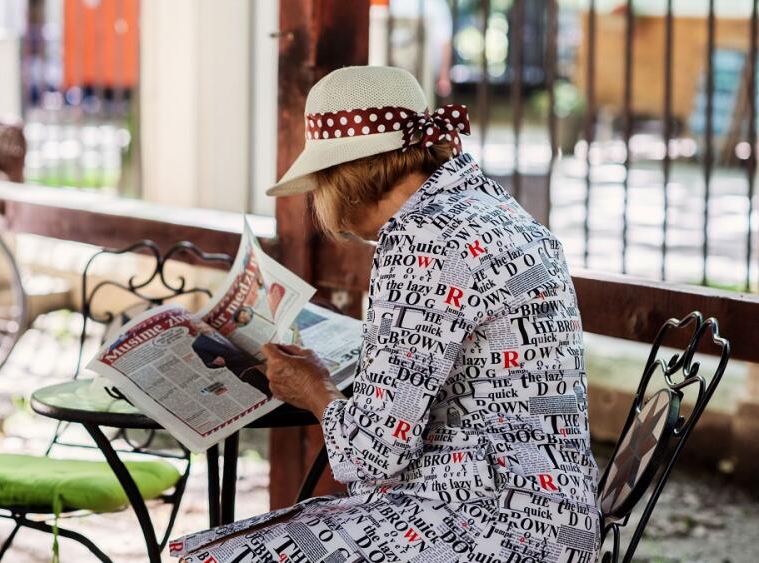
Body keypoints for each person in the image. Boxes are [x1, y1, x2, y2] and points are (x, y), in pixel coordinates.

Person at [170, 66, 599, 562]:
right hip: (555, 520)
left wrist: (316, 391)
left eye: (318, 183)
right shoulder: (492, 207)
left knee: (208, 557)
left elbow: (371, 455)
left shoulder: (423, 237)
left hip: (487, 525)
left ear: (344, 176)